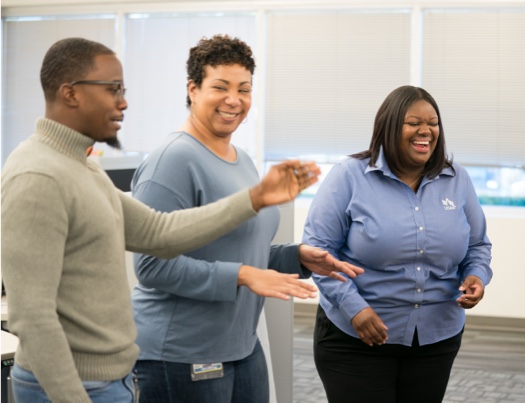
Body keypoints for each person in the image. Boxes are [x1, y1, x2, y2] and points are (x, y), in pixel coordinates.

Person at [1, 37, 322, 403]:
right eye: (112, 90)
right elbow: (33, 317)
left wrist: (255, 200)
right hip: (83, 382)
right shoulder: (38, 174)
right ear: (70, 94)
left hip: (113, 378)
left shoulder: (81, 168)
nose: (123, 102)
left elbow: (158, 232)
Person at [130, 34, 364, 403]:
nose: (233, 100)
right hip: (180, 352)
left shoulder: (242, 159)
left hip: (241, 346)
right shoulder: (172, 160)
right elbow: (150, 265)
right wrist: (242, 275)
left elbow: (239, 248)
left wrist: (296, 257)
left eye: (244, 89)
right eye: (219, 87)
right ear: (193, 89)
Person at [302, 85, 493, 403]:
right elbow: (319, 254)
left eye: (432, 122)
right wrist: (355, 310)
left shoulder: (457, 178)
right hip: (357, 338)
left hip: (437, 338)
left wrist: (477, 276)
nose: (426, 131)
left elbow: (477, 245)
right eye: (413, 122)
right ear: (389, 126)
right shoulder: (349, 176)